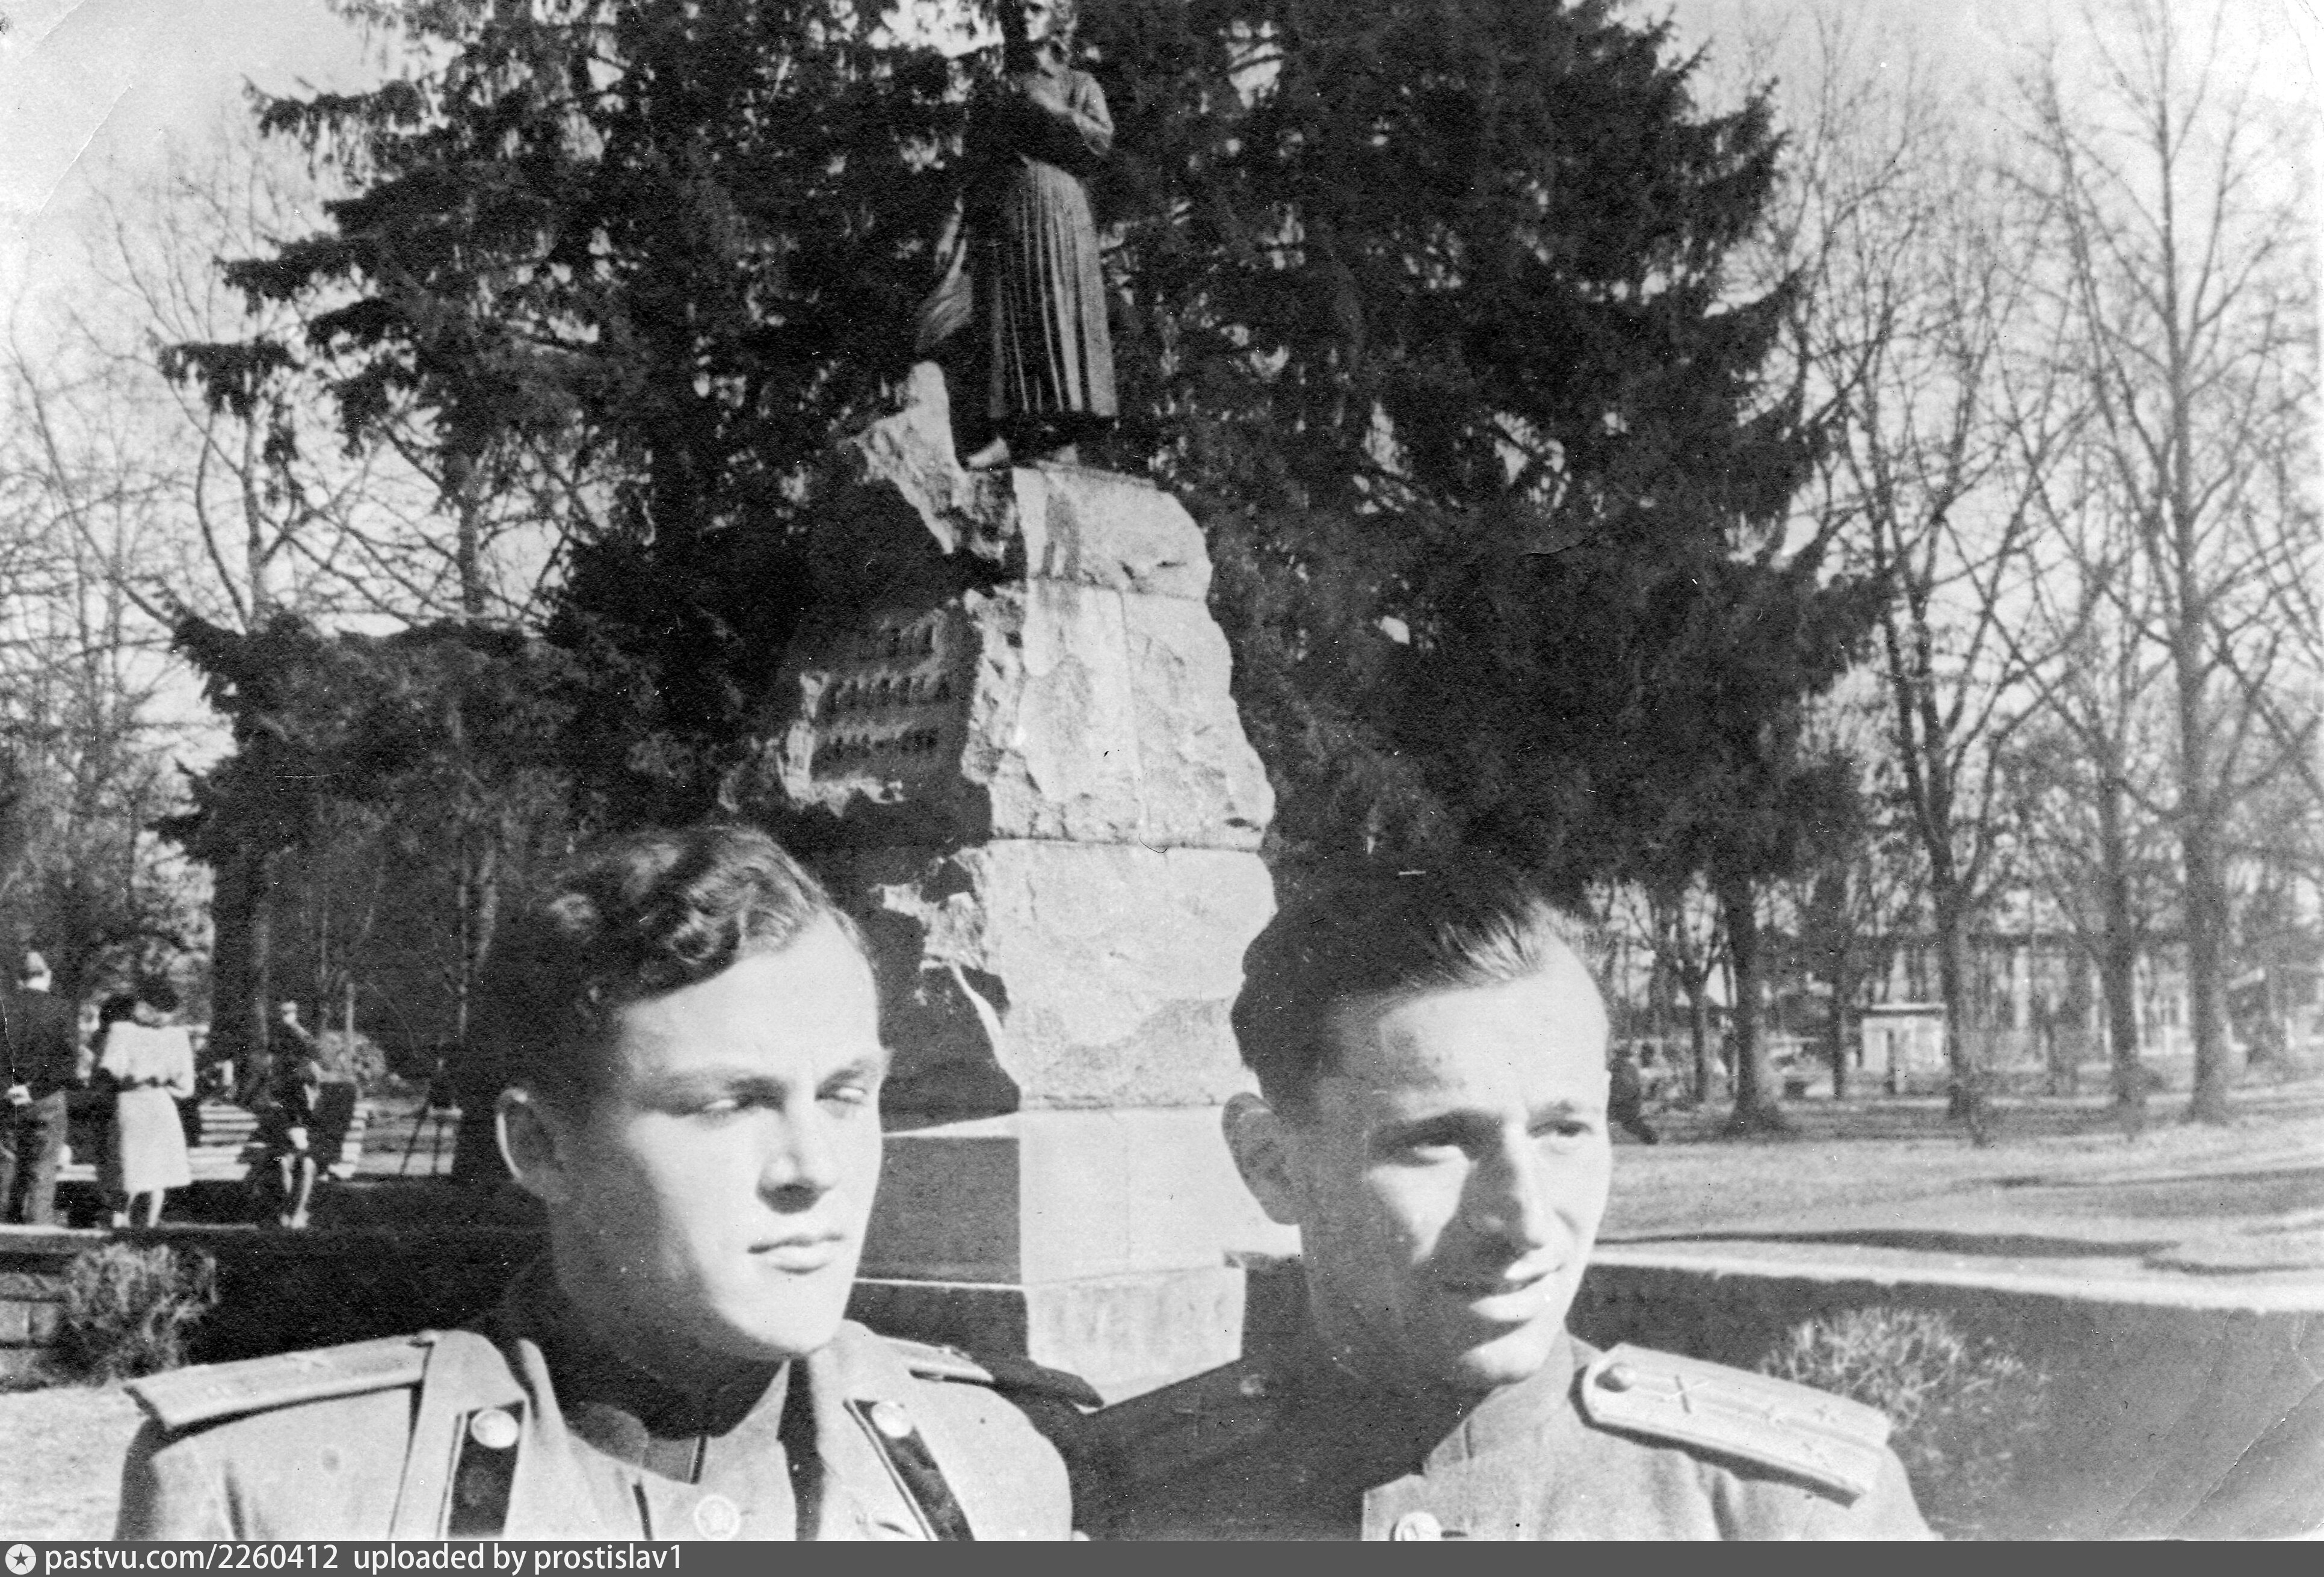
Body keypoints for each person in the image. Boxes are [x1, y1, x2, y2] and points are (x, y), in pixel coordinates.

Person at [117, 824, 1080, 1540]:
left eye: (842, 1094)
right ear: (541, 1147)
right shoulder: (271, 1498)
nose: (814, 1169)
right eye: (727, 1104)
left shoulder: (994, 1463)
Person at [1070, 862, 1932, 1539]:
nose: (1524, 1221)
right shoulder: (1106, 1505)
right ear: (1271, 1164)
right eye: (1437, 1140)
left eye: (1563, 1130)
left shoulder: (1782, 1516)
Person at [919, 0, 1117, 469]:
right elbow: (972, 167)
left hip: (1056, 209)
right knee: (1003, 320)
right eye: (1017, 8)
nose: (1025, 15)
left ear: (1054, 19)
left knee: (1057, 315)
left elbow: (1100, 142)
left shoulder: (1077, 84)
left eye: (1035, 7)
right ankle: (1010, 433)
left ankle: (1060, 433)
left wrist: (1049, 109)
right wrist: (950, 227)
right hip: (1002, 212)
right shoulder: (997, 88)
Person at [97, 983, 196, 1229]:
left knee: (129, 1171)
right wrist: (163, 1087)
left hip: (130, 1102)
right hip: (159, 1104)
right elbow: (186, 1087)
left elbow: (111, 1072)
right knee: (155, 1175)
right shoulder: (177, 1036)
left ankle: (120, 1227)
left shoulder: (121, 1031)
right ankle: (148, 1229)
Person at [1, 951, 82, 1225]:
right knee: (44, 1167)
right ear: (48, 975)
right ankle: (38, 1229)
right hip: (46, 1099)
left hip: (7, 1099)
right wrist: (34, 1091)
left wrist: (8, 1088)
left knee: (6, 1166)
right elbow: (67, 1063)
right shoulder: (61, 1009)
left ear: (18, 979)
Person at [255, 1029, 325, 1229]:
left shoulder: (303, 1075)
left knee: (304, 1163)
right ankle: (291, 1212)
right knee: (284, 1162)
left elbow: (312, 1112)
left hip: (307, 1137)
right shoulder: (280, 1080)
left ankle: (296, 1212)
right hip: (286, 1138)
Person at [1607, 1045, 1660, 1145]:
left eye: (1621, 1055)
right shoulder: (1621, 1067)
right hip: (1625, 1104)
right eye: (1618, 1055)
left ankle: (1651, 1138)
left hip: (1626, 1104)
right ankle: (1651, 1138)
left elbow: (1629, 1089)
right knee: (1629, 1124)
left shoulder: (1625, 1068)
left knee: (1629, 1123)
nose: (1619, 1057)